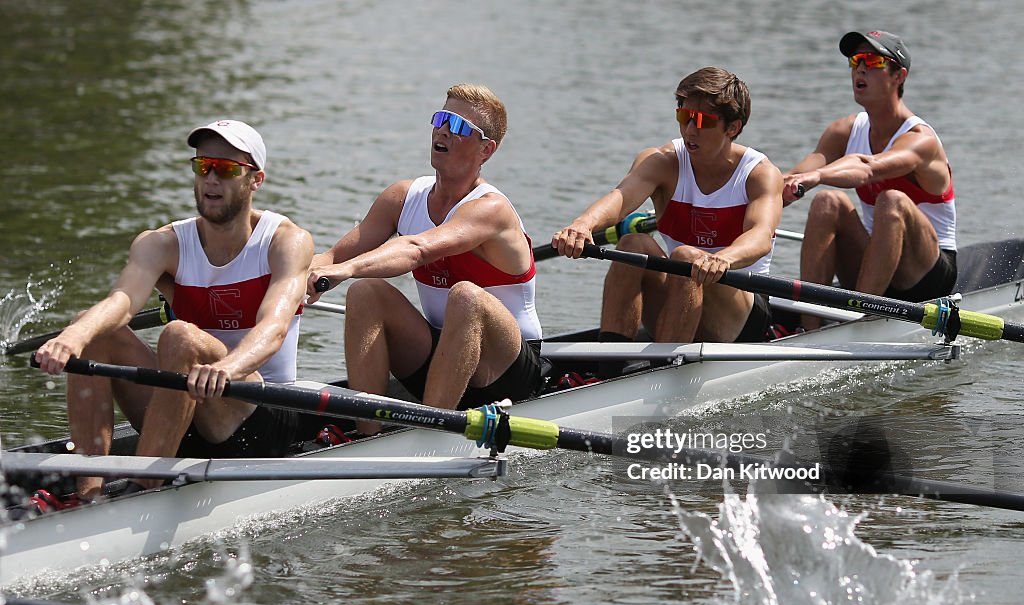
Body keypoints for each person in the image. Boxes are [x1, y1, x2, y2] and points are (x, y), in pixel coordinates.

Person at [34, 120, 314, 499]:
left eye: (227, 169)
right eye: (203, 167)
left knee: (179, 335)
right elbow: (122, 303)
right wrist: (71, 339)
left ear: (255, 180)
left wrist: (225, 370)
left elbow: (275, 328)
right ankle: (88, 493)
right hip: (189, 405)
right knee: (93, 328)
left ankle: (143, 490)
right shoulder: (160, 244)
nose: (211, 179)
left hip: (261, 415)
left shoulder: (286, 242)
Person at [307, 84, 542, 433]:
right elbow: (331, 256)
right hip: (442, 353)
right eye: (442, 118)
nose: (444, 130)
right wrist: (290, 276)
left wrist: (345, 270)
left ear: (486, 150)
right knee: (366, 292)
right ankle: (364, 433)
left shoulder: (491, 209)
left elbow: (416, 249)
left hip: (507, 370)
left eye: (460, 126)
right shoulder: (402, 197)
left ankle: (428, 435)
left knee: (466, 295)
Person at [551, 66, 782, 377]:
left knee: (686, 256)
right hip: (683, 291)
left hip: (739, 314)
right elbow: (620, 198)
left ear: (733, 127)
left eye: (703, 121)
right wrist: (581, 226)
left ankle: (662, 378)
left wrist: (722, 259)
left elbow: (760, 235)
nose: (690, 130)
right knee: (632, 244)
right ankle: (607, 373)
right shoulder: (662, 162)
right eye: (683, 116)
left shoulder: (758, 173)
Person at [783, 30, 957, 330]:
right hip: (877, 264)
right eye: (855, 60)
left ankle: (858, 326)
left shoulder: (920, 140)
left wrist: (819, 176)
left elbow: (867, 168)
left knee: (891, 200)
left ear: (898, 76)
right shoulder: (844, 131)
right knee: (826, 201)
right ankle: (808, 329)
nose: (859, 68)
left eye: (872, 61)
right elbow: (791, 178)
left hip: (927, 274)